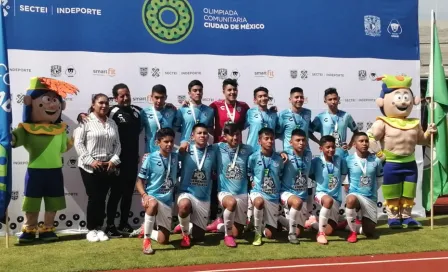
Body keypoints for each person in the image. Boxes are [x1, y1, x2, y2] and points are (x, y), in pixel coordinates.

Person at [11, 77, 78, 243]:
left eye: (55, 100)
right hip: (35, 172)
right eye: (47, 100)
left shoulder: (60, 129)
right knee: (32, 201)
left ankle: (48, 228)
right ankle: (29, 228)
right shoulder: (26, 129)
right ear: (30, 102)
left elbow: (63, 148)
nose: (52, 105)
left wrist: (75, 138)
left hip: (55, 171)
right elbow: (12, 140)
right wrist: (7, 133)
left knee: (53, 201)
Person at [367, 75, 436, 228]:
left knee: (409, 191)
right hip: (390, 164)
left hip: (410, 163)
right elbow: (370, 137)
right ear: (383, 101)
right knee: (392, 192)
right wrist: (379, 153)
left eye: (406, 96)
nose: (403, 101)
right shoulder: (382, 122)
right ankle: (393, 218)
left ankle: (406, 216)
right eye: (399, 97)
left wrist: (429, 133)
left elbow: (421, 140)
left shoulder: (414, 123)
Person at [76, 84, 143, 237]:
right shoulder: (111, 111)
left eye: (127, 94)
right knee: (113, 194)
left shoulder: (137, 111)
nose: (125, 98)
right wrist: (80, 115)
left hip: (125, 159)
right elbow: (87, 119)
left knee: (127, 194)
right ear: (115, 98)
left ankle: (124, 224)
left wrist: (170, 106)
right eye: (121, 96)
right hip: (114, 162)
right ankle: (109, 225)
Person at [74, 93, 122, 242]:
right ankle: (91, 229)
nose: (104, 106)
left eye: (106, 103)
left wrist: (113, 160)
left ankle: (100, 228)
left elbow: (118, 144)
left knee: (102, 198)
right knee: (94, 197)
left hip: (107, 166)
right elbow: (78, 143)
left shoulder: (112, 123)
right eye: (100, 103)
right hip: (89, 166)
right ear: (93, 104)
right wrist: (91, 161)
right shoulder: (86, 121)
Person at [206, 79, 250, 230]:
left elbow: (249, 124)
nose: (232, 92)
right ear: (223, 91)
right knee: (216, 183)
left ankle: (228, 220)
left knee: (238, 181)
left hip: (237, 151)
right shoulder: (215, 106)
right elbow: (205, 122)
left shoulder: (244, 107)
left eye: (234, 90)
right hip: (221, 151)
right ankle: (214, 217)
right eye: (229, 90)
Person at [278, 87, 318, 226]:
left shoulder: (308, 113)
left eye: (301, 97)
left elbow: (309, 131)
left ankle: (308, 213)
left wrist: (319, 142)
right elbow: (277, 132)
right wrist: (281, 152)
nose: (299, 99)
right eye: (296, 97)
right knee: (288, 182)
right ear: (290, 99)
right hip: (289, 155)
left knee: (306, 182)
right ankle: (281, 212)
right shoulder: (283, 115)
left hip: (305, 153)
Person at [135, 128, 179, 254]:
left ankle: (147, 230)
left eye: (171, 141)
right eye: (166, 142)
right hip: (152, 197)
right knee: (153, 203)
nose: (169, 144)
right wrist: (144, 195)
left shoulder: (176, 157)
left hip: (167, 201)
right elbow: (139, 181)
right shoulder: (150, 158)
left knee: (163, 240)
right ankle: (146, 241)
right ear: (158, 142)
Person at [177, 123, 218, 247]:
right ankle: (185, 234)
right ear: (192, 136)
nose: (202, 135)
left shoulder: (214, 151)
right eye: (199, 133)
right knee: (184, 206)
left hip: (203, 197)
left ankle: (186, 226)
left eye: (205, 133)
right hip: (187, 192)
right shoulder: (185, 151)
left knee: (199, 237)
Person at [213, 123, 253, 247]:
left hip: (242, 193)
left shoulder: (248, 149)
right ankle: (227, 235)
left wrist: (282, 153)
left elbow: (264, 152)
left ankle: (219, 224)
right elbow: (200, 148)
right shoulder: (217, 148)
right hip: (225, 192)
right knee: (231, 203)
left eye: (238, 134)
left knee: (237, 233)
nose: (235, 138)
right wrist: (186, 145)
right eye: (232, 135)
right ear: (224, 136)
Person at [343, 132, 383, 243]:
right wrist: (348, 189)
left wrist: (372, 190)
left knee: (369, 232)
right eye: (361, 141)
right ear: (355, 144)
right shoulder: (348, 160)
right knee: (351, 200)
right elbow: (344, 177)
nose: (364, 143)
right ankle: (352, 232)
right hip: (355, 194)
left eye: (366, 141)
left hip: (370, 197)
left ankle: (350, 224)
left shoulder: (376, 160)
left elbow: (380, 179)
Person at [248, 128, 284, 246]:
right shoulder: (253, 157)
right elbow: (249, 172)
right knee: (258, 202)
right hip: (258, 192)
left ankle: (256, 222)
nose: (270, 141)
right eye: (266, 138)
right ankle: (257, 233)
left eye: (272, 139)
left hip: (273, 197)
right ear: (259, 141)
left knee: (270, 235)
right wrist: (252, 180)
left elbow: (281, 175)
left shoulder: (279, 159)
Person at [309, 135, 347, 245]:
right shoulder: (316, 161)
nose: (331, 150)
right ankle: (320, 234)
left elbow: (343, 175)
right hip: (321, 195)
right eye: (328, 147)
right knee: (327, 200)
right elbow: (311, 175)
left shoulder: (339, 160)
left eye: (333, 147)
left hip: (336, 198)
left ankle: (313, 224)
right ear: (321, 148)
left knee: (330, 231)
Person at [279, 129, 312, 244]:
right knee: (297, 202)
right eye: (297, 140)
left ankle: (279, 219)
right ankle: (291, 234)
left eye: (303, 140)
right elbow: (276, 156)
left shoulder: (308, 154)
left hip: (302, 197)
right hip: (287, 193)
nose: (301, 143)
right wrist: (281, 153)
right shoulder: (286, 155)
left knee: (300, 232)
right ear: (290, 142)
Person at [309, 88, 358, 158]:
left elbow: (356, 131)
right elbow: (309, 132)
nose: (333, 102)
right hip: (326, 154)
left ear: (338, 99)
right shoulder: (320, 117)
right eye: (330, 99)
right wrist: (319, 142)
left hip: (342, 155)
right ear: (325, 101)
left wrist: (349, 145)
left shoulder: (346, 116)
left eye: (335, 99)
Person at [176, 80, 214, 152]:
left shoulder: (210, 111)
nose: (198, 93)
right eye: (195, 90)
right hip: (186, 147)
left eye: (200, 90)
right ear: (189, 93)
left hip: (203, 147)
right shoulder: (182, 110)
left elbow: (210, 130)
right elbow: (175, 128)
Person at [141, 84, 177, 153]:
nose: (159, 101)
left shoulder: (172, 111)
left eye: (162, 97)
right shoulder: (144, 112)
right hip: (150, 153)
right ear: (151, 97)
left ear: (166, 97)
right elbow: (136, 131)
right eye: (156, 97)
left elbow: (180, 126)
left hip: (167, 153)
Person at [245, 87, 279, 151]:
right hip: (252, 150)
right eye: (260, 96)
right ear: (255, 100)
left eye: (265, 96)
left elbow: (277, 132)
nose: (263, 98)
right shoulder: (250, 112)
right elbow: (241, 127)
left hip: (269, 151)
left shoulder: (274, 114)